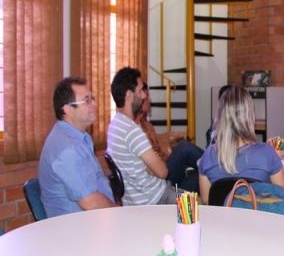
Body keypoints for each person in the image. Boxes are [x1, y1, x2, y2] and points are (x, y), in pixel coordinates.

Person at [199, 85, 284, 203]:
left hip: (223, 221)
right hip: (259, 221)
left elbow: (207, 201)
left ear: (221, 116)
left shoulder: (208, 156)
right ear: (249, 116)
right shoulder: (267, 153)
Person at [38, 77, 116, 217]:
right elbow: (91, 203)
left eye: (93, 99)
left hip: (93, 220)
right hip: (75, 230)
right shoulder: (67, 147)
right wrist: (119, 213)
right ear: (67, 110)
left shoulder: (80, 137)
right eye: (87, 101)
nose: (95, 104)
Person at [107, 66, 178, 206]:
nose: (144, 96)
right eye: (140, 91)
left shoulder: (114, 125)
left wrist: (148, 167)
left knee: (193, 179)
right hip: (156, 197)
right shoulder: (132, 131)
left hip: (136, 200)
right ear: (129, 95)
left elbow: (148, 168)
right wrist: (150, 167)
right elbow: (163, 172)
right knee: (201, 208)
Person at [135, 82, 202, 192]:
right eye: (147, 98)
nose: (150, 100)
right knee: (184, 148)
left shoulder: (146, 123)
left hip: (164, 166)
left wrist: (169, 154)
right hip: (159, 175)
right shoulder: (135, 129)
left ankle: (222, 182)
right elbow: (147, 162)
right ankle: (217, 167)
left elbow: (158, 150)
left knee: (195, 176)